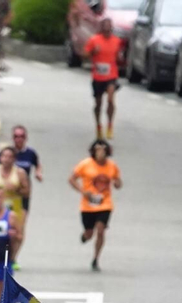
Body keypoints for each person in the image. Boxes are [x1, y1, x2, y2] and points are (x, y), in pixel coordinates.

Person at [70, 139, 122, 272]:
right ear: (93, 151)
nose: (100, 153)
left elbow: (118, 182)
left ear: (107, 152)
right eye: (98, 150)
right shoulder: (85, 164)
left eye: (103, 150)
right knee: (89, 233)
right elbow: (72, 179)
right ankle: (85, 236)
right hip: (88, 204)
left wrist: (117, 184)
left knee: (100, 229)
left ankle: (96, 258)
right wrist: (83, 191)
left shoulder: (112, 166)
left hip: (105, 204)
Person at [84, 18, 122, 140]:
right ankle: (99, 126)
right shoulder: (94, 40)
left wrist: (120, 58)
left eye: (109, 27)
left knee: (110, 100)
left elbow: (119, 57)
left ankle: (110, 125)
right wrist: (93, 52)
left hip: (111, 75)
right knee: (98, 103)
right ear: (102, 28)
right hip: (98, 76)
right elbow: (84, 54)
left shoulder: (117, 41)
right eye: (105, 27)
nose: (107, 30)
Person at [0, 126, 39, 213]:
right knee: (6, 219)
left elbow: (37, 164)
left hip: (22, 191)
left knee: (19, 221)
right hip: (7, 192)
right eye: (16, 136)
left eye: (22, 136)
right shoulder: (6, 152)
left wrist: (38, 173)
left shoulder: (30, 153)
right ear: (13, 138)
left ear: (26, 138)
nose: (19, 139)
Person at [0, 146, 29, 224]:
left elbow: (27, 192)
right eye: (4, 156)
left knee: (14, 233)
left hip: (14, 207)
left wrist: (16, 189)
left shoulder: (20, 173)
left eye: (10, 157)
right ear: (0, 158)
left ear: (14, 159)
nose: (7, 159)